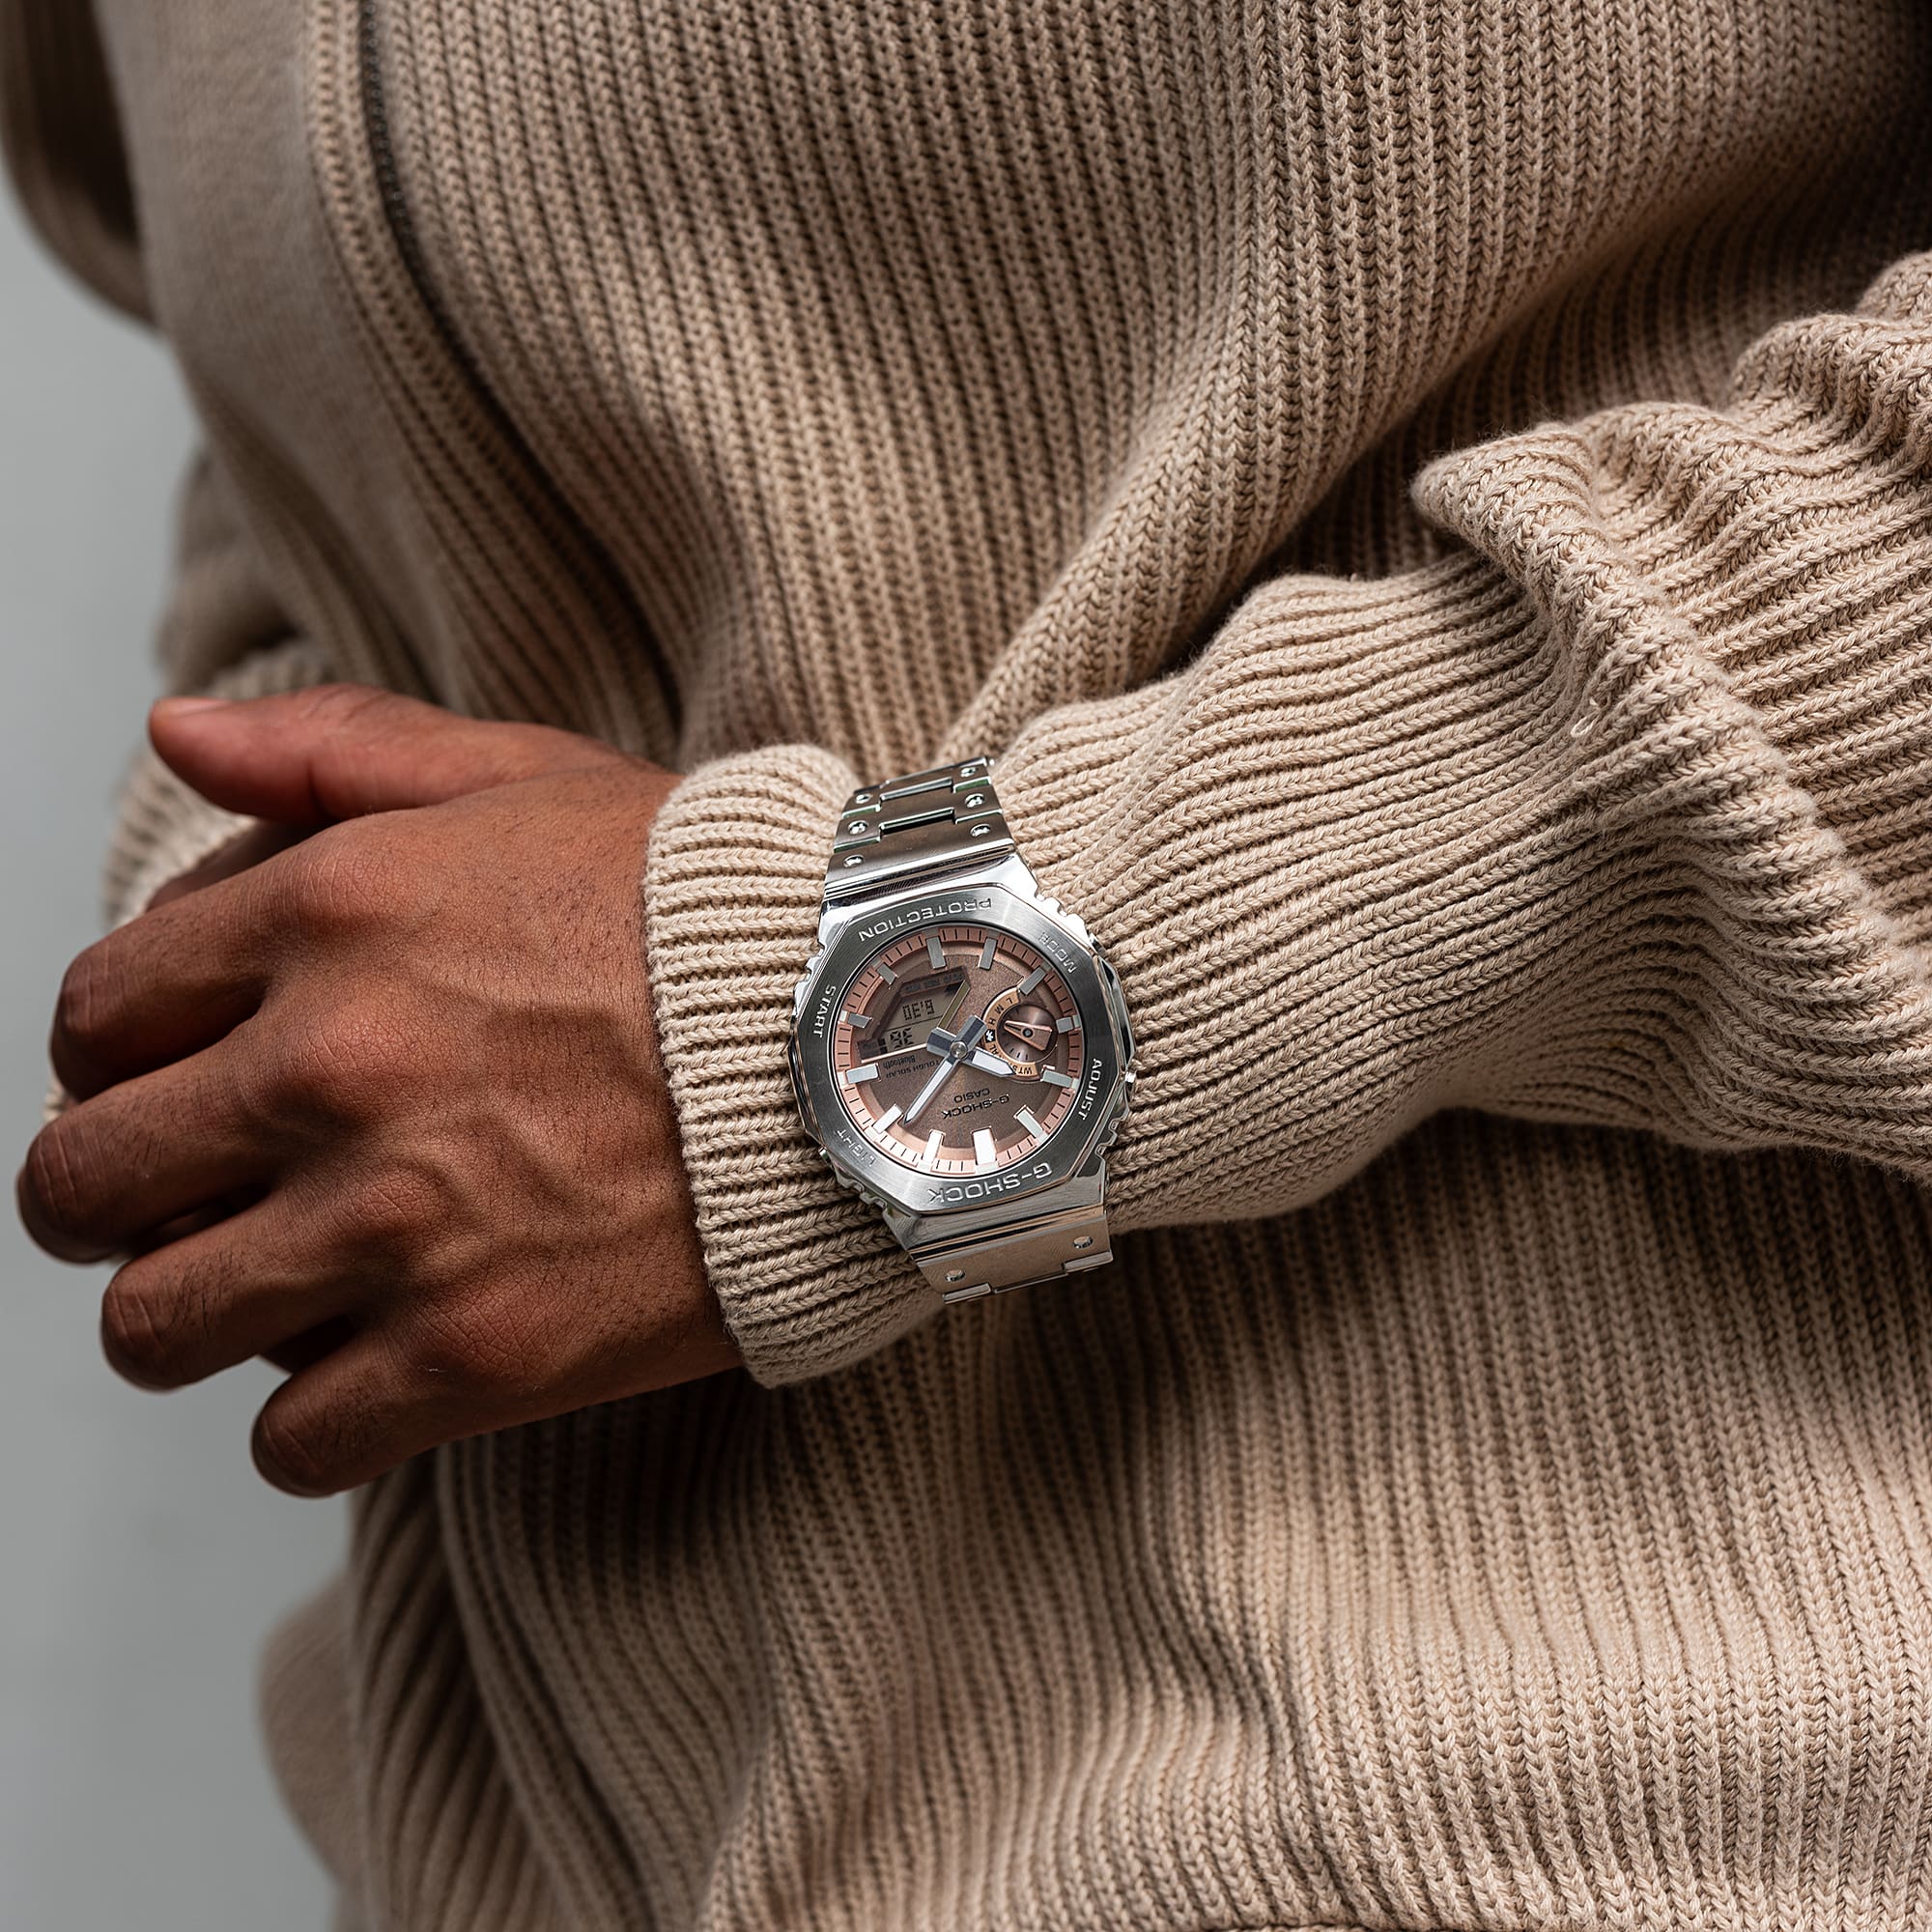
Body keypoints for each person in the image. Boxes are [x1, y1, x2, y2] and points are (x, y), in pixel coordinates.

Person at [9, 0, 1932, 1925]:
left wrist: (805, 1016)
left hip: (1565, 1762)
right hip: (525, 1848)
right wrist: (258, 943)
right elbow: (317, 500)